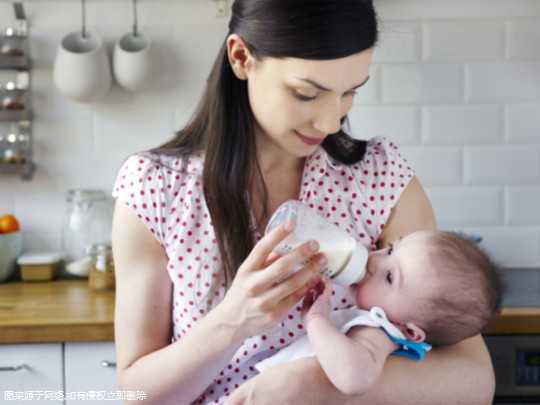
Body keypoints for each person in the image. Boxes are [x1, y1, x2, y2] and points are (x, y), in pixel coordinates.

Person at [111, 0, 497, 403]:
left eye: (350, 92)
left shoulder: (381, 178)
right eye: (307, 93)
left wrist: (309, 385)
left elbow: (473, 380)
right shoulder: (155, 188)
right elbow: (138, 395)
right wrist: (231, 323)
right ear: (242, 58)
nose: (332, 122)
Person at [254, 231, 505, 397]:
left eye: (389, 277)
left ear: (409, 331)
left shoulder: (379, 330)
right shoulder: (374, 320)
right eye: (391, 250)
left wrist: (316, 320)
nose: (374, 260)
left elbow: (355, 379)